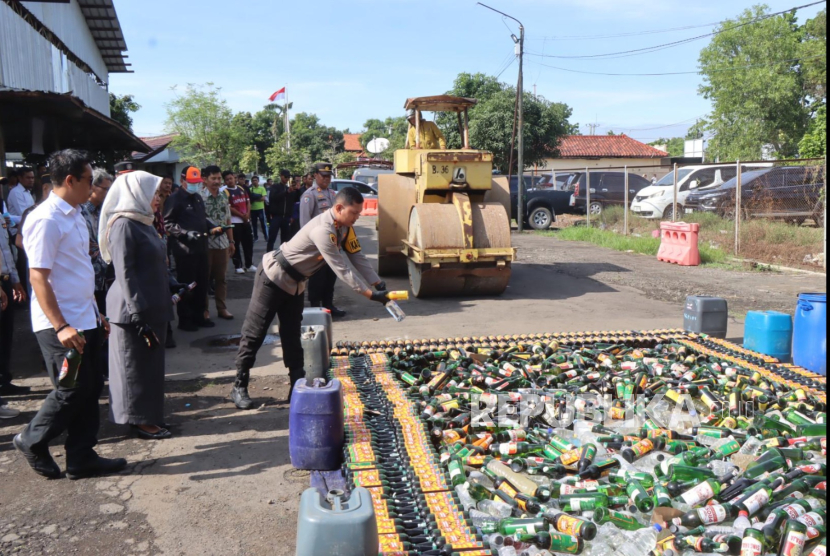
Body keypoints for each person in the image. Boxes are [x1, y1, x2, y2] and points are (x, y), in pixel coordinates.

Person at [14, 149, 126, 480]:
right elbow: (39, 276)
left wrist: (95, 313)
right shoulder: (46, 219)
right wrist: (61, 325)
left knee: (90, 388)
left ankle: (81, 456)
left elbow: (76, 271)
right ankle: (31, 439)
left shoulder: (74, 214)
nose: (92, 188)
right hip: (59, 324)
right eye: (89, 180)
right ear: (69, 180)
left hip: (84, 318)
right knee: (71, 388)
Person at [232, 186, 389, 409]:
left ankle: (296, 386)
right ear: (339, 207)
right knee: (255, 332)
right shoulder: (323, 229)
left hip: (295, 283)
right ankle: (239, 384)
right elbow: (341, 268)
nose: (357, 216)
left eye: (359, 212)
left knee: (292, 334)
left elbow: (356, 255)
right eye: (354, 212)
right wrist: (370, 294)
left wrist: (377, 282)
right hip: (273, 277)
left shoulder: (344, 227)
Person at [99, 171, 174, 440]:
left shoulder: (144, 221)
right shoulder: (123, 225)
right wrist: (137, 312)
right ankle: (138, 420)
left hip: (152, 304)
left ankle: (149, 415)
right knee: (135, 369)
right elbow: (125, 272)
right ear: (137, 193)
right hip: (133, 309)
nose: (158, 198)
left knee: (150, 367)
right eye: (153, 193)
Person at [164, 166, 214, 332]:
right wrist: (184, 234)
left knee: (202, 285)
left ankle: (199, 316)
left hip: (201, 248)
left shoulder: (198, 198)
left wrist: (211, 226)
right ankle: (185, 320)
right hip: (185, 251)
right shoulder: (175, 199)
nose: (194, 185)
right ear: (182, 180)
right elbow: (168, 224)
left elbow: (201, 219)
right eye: (191, 182)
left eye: (196, 182)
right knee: (187, 285)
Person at [300, 162, 346, 317]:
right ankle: (315, 307)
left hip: (333, 244)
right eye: (323, 176)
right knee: (317, 278)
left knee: (331, 276)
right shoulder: (309, 195)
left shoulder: (334, 195)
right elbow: (305, 224)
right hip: (317, 246)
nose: (326, 179)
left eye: (328, 176)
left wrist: (340, 241)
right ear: (315, 176)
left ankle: (329, 305)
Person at [200, 166, 235, 320]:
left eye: (218, 178)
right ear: (204, 179)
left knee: (221, 279)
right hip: (206, 244)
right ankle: (204, 310)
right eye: (213, 178)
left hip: (222, 244)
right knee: (205, 279)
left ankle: (222, 308)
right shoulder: (199, 196)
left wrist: (231, 241)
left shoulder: (223, 195)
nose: (216, 181)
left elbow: (228, 219)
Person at [0, 212, 28, 397]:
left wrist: (15, 280)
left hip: (5, 279)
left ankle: (4, 381)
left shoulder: (1, 217)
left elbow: (6, 250)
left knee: (5, 334)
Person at [82, 169, 113, 314]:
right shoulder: (80, 212)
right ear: (92, 186)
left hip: (104, 278)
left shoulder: (105, 211)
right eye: (105, 189)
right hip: (87, 280)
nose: (108, 193)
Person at [224, 170, 255, 274]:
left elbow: (248, 202)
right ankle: (238, 265)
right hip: (235, 222)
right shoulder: (225, 192)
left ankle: (249, 264)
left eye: (231, 178)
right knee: (236, 244)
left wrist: (247, 214)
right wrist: (242, 216)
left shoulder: (242, 188)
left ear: (234, 178)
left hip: (246, 221)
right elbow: (229, 207)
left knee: (248, 243)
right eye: (227, 179)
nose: (229, 181)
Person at [267, 169, 293, 251]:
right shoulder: (275, 187)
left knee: (285, 239)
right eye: (285, 177)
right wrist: (286, 192)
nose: (287, 179)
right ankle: (269, 254)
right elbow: (273, 198)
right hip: (276, 216)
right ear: (281, 176)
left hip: (286, 217)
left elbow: (291, 202)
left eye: (288, 177)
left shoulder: (288, 188)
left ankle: (283, 255)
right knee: (272, 237)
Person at [249, 176, 268, 242]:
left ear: (258, 181)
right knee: (254, 224)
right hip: (253, 209)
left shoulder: (262, 188)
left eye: (256, 180)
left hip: (260, 209)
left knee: (263, 224)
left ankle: (266, 236)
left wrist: (255, 198)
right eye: (253, 180)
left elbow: (263, 198)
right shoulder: (250, 189)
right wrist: (258, 197)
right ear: (251, 181)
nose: (254, 181)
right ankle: (255, 237)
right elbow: (250, 199)